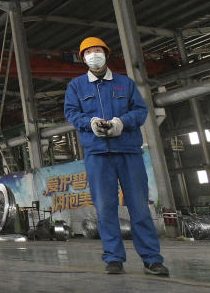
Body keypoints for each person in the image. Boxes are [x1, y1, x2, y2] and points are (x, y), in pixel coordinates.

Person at [63, 37, 169, 277]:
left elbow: (140, 111)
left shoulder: (125, 83)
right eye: (88, 52)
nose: (93, 54)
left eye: (97, 50)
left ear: (106, 54)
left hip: (128, 152)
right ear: (83, 58)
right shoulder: (76, 86)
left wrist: (121, 123)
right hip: (97, 154)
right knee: (105, 208)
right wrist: (90, 123)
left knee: (139, 208)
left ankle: (152, 259)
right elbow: (71, 112)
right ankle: (113, 258)